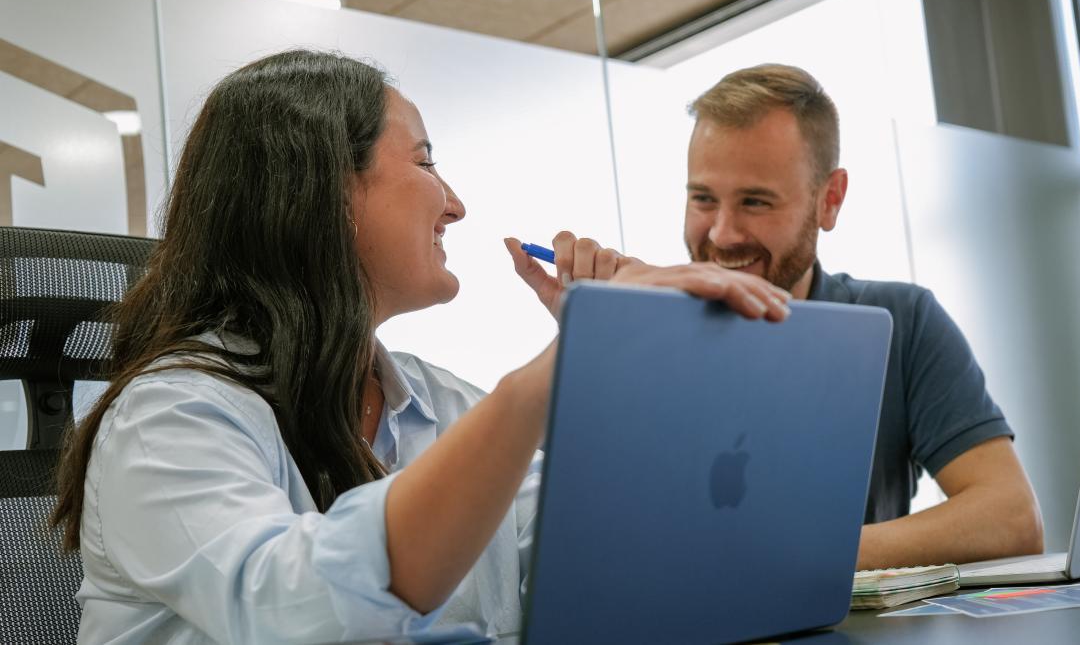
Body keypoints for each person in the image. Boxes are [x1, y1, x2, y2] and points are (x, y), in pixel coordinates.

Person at [49, 50, 793, 644]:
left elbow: (624, 551)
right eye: (427, 160)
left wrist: (623, 350)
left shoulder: (437, 404)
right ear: (324, 192)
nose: (457, 202)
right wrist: (547, 376)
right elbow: (295, 612)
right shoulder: (166, 420)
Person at [682, 63, 1044, 570]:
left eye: (755, 201)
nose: (721, 234)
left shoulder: (902, 322)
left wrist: (808, 557)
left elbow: (1011, 518)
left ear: (828, 200)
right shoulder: (641, 336)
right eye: (703, 198)